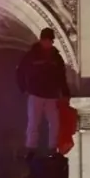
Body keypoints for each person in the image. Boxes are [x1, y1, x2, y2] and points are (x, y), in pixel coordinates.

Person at [16, 27, 71, 159]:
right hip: (36, 94)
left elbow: (61, 76)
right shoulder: (31, 55)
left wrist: (65, 93)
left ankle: (53, 148)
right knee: (33, 123)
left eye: (50, 41)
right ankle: (31, 148)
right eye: (46, 40)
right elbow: (20, 71)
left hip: (52, 96)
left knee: (54, 123)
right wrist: (23, 88)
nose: (48, 43)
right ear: (41, 40)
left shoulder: (56, 57)